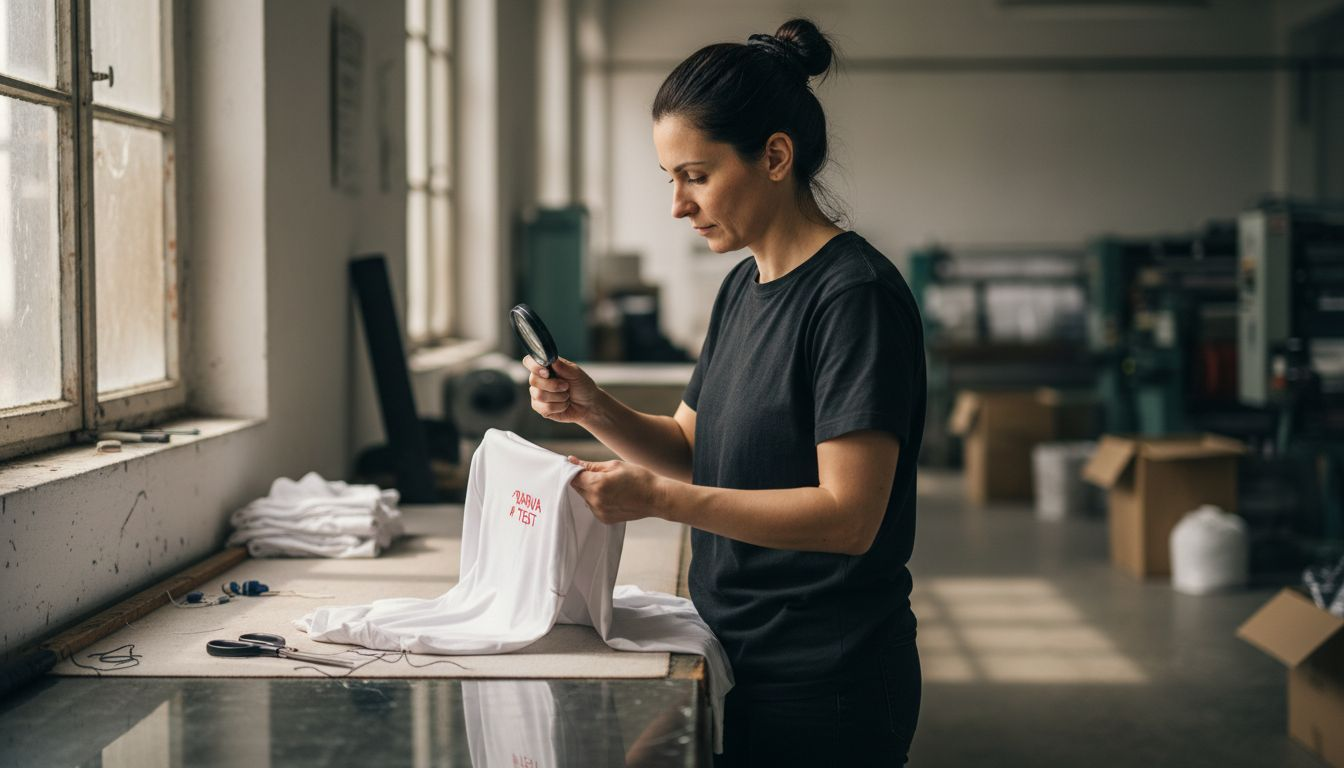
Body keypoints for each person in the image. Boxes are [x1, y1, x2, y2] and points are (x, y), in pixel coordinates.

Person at [521, 18, 925, 767]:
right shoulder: (745, 287)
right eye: (670, 178)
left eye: (695, 175)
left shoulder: (853, 298)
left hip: (825, 679)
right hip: (732, 646)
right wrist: (592, 407)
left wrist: (661, 501)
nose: (677, 204)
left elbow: (849, 518)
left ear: (775, 156)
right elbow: (692, 447)